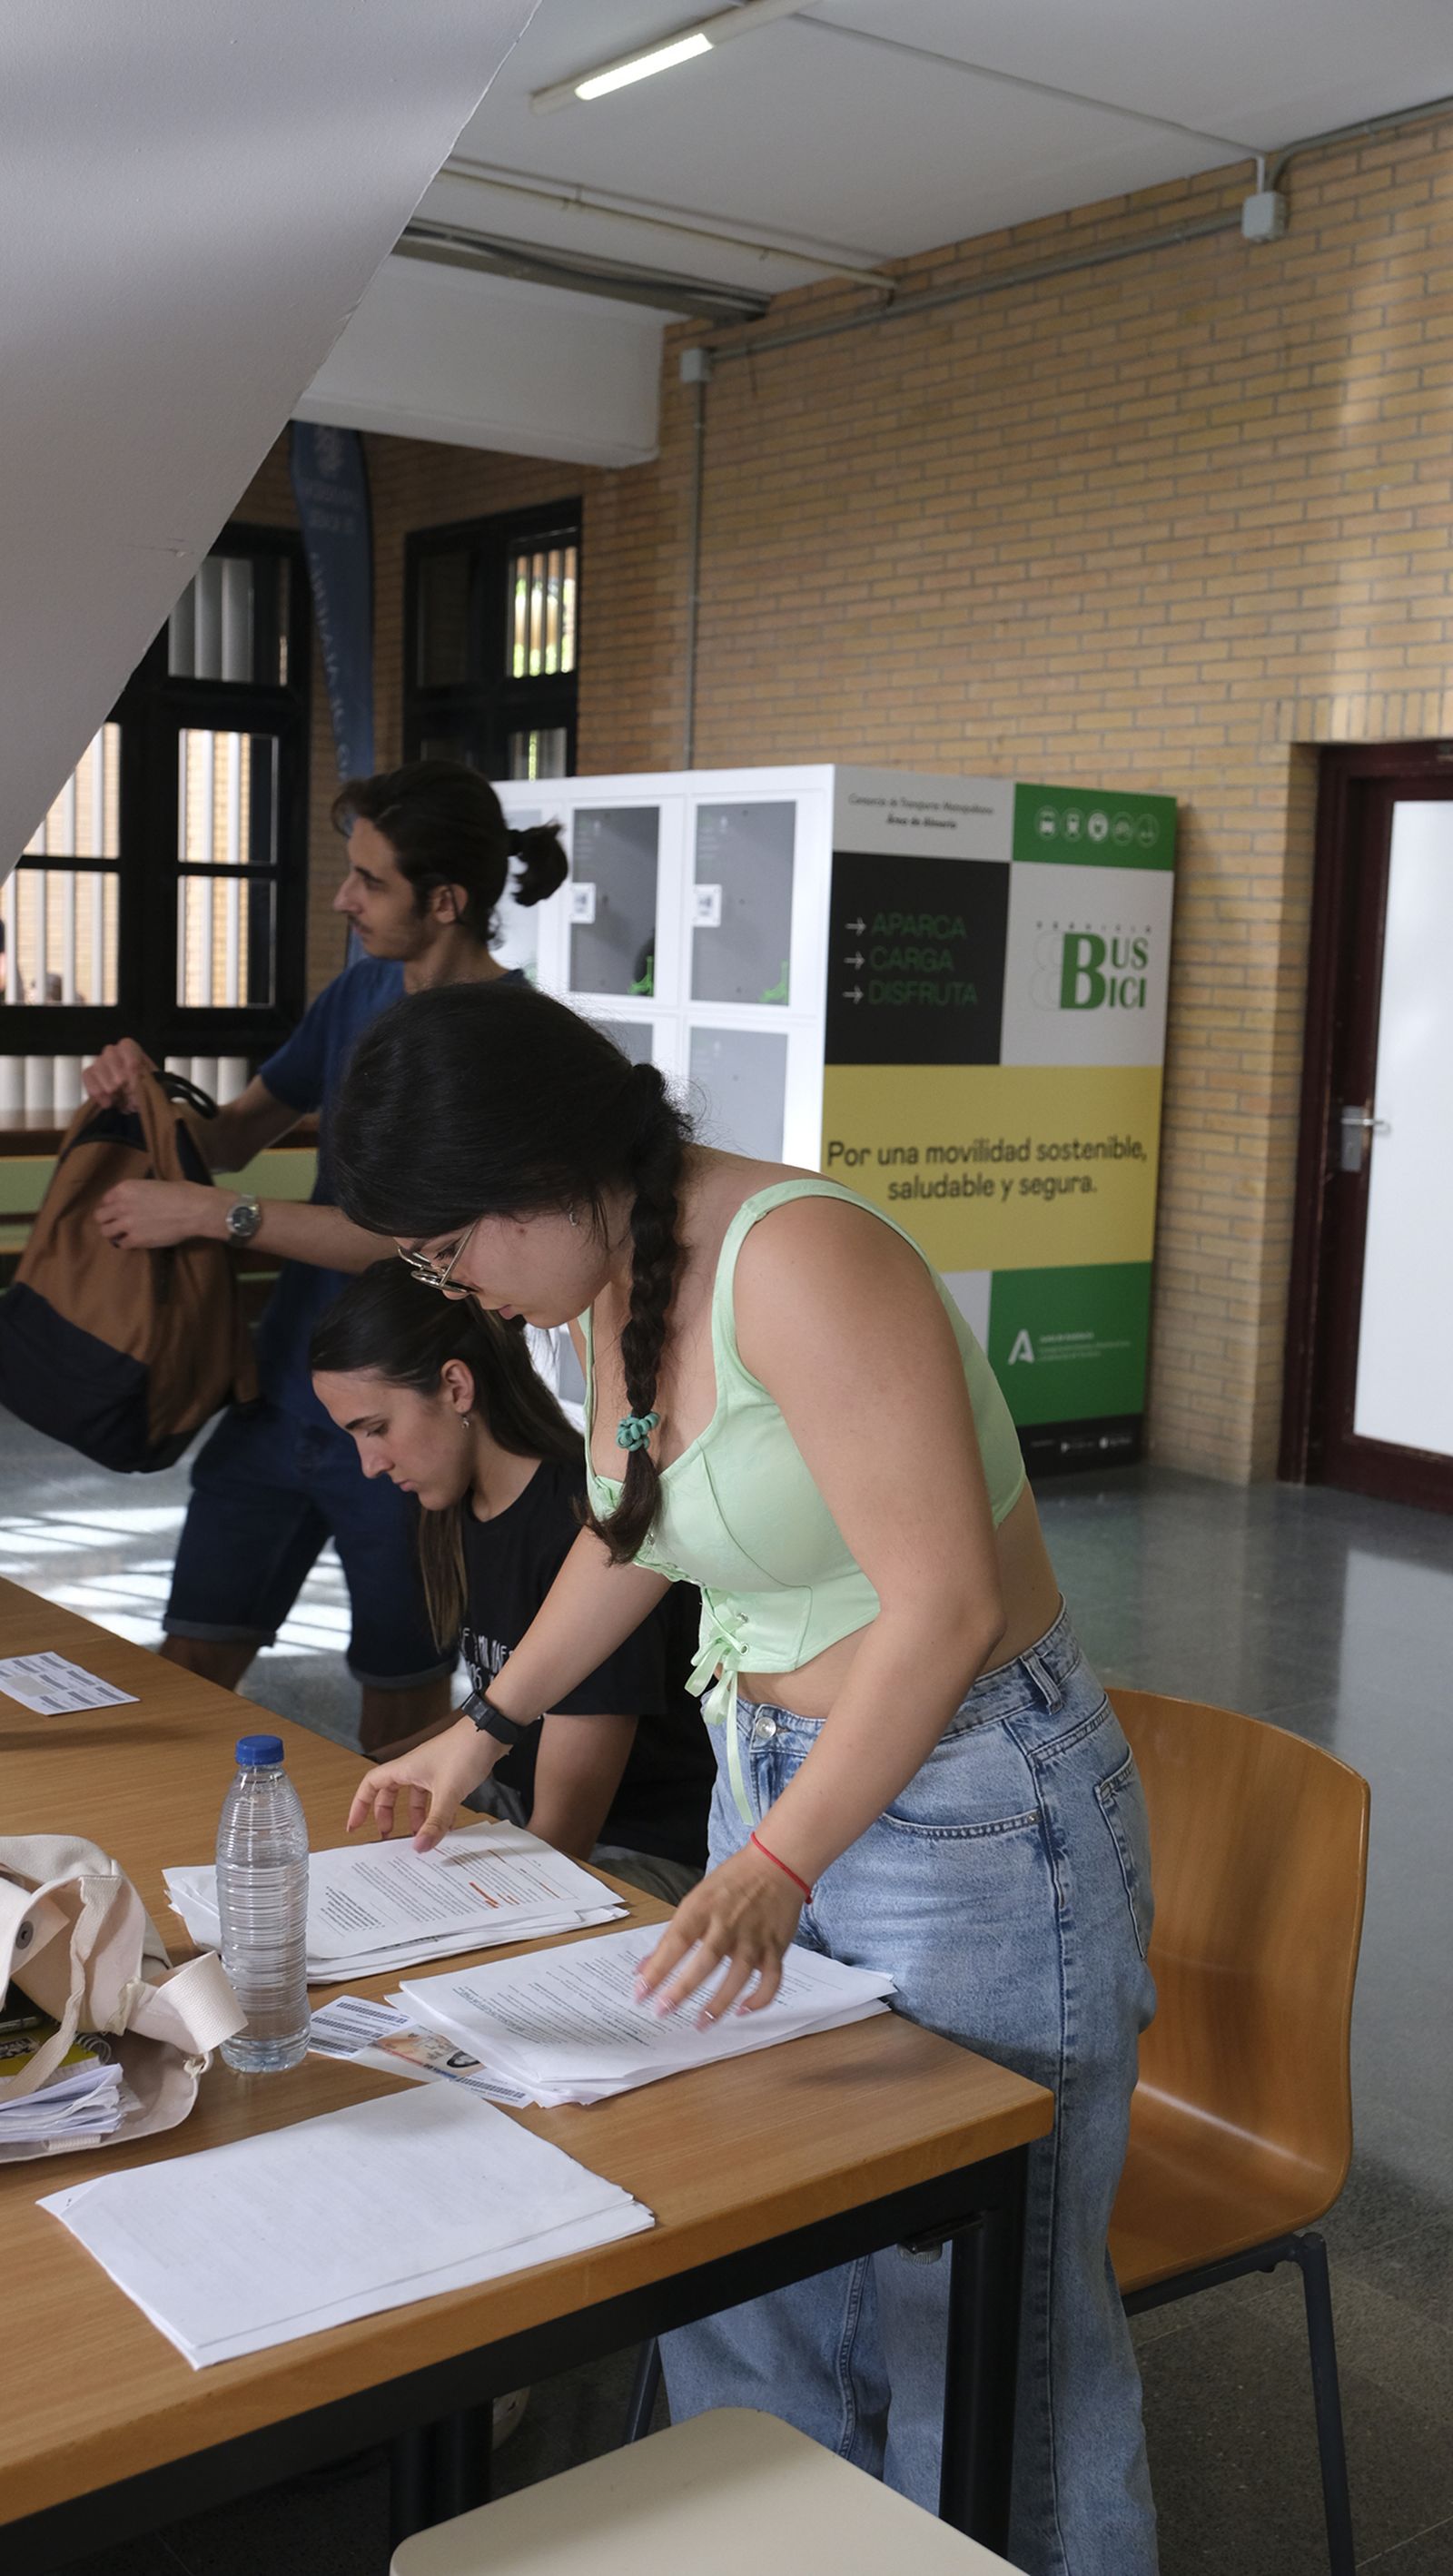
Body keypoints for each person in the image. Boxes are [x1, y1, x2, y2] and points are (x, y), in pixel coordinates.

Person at [326, 978, 1158, 2576]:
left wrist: (778, 1864)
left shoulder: (803, 1260)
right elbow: (637, 1529)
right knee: (763, 2256)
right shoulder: (606, 1274)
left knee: (984, 2322)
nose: (461, 1290)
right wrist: (481, 1726)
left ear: (537, 1180)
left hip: (971, 1813)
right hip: (777, 1780)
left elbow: (945, 1606)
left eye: (453, 1247)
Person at [78, 764, 566, 1758]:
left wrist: (214, 1216)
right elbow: (229, 1139)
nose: (343, 899)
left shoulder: (507, 1037)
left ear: (445, 901)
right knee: (189, 1657)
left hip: (417, 1409)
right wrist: (142, 1096)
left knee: (401, 1699)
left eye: (368, 881)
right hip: (284, 1398)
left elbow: (412, 1239)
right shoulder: (359, 990)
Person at [309, 1262, 711, 1900]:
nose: (369, 1465)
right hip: (518, 1799)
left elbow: (565, 1833)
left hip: (636, 1850)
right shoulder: (456, 1506)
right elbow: (487, 1717)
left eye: (376, 1428)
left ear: (456, 1387)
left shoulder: (573, 1525)